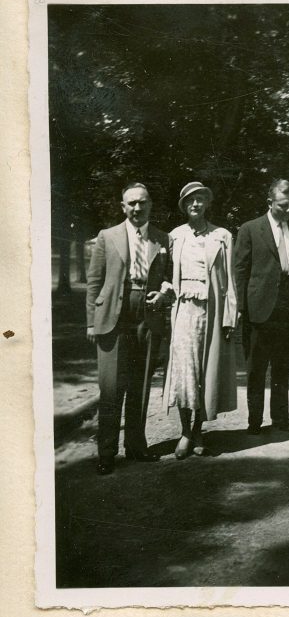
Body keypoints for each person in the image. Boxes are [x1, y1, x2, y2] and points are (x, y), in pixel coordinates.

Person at [86, 183, 174, 475]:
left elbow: (171, 278)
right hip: (113, 317)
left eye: (143, 203)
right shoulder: (106, 236)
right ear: (123, 206)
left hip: (147, 319)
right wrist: (90, 322)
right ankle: (107, 453)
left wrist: (165, 292)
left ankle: (136, 447)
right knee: (111, 388)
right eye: (131, 204)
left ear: (151, 205)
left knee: (140, 385)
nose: (137, 209)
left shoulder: (163, 240)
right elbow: (94, 282)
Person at [163, 182, 238, 459]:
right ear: (184, 205)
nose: (196, 204)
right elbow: (167, 275)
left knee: (206, 373)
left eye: (200, 200)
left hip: (212, 309)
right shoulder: (174, 237)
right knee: (185, 371)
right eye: (190, 200)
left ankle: (198, 430)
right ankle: (185, 431)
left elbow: (230, 280)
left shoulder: (222, 236)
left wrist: (230, 316)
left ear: (207, 204)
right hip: (183, 310)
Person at [234, 179, 289, 434]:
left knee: (281, 365)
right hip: (258, 309)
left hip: (287, 309)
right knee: (256, 368)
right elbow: (240, 269)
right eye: (283, 206)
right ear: (270, 203)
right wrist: (241, 307)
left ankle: (280, 418)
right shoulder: (250, 229)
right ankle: (254, 421)